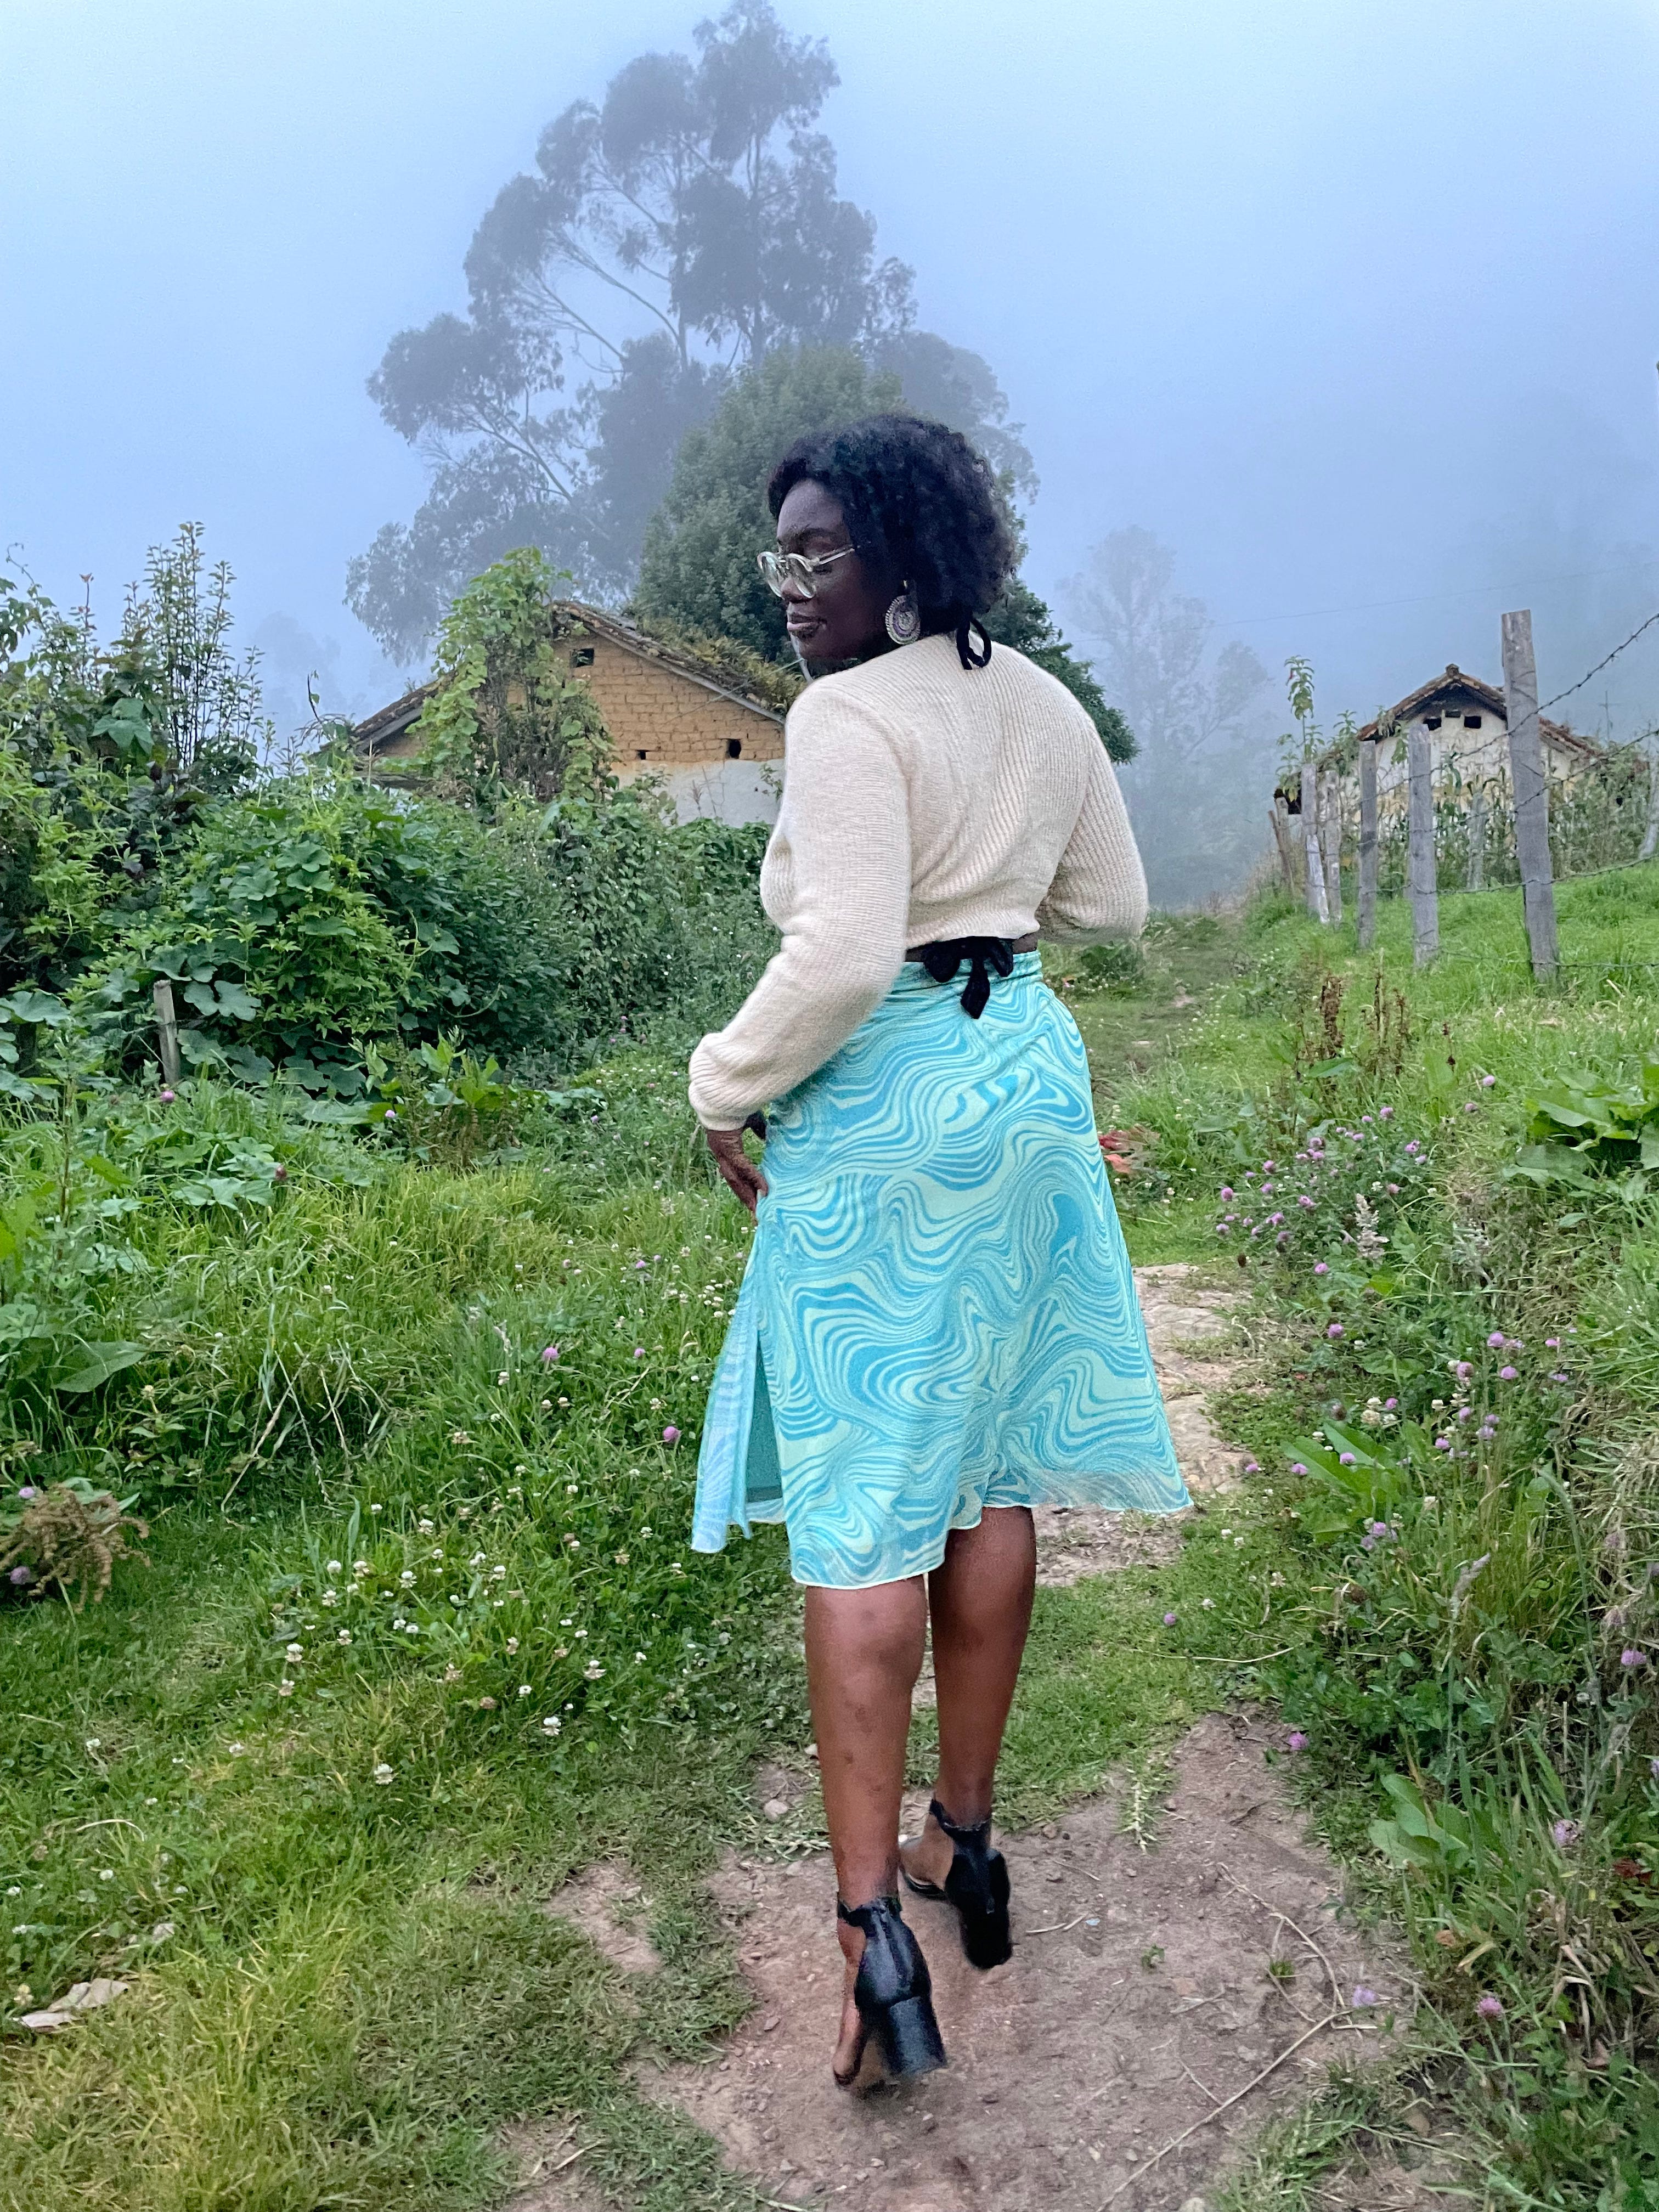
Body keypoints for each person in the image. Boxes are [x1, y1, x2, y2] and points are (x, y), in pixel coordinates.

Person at [686, 414, 1187, 2089]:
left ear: (902, 555)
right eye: (781, 553)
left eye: (817, 552)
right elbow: (1114, 907)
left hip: (889, 1105)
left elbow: (840, 955)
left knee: (862, 1509)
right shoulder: (1037, 700)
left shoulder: (846, 716)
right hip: (1026, 1083)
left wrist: (719, 1086)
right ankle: (962, 1846)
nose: (789, 585)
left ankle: (868, 1936)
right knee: (986, 1474)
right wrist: (994, 884)